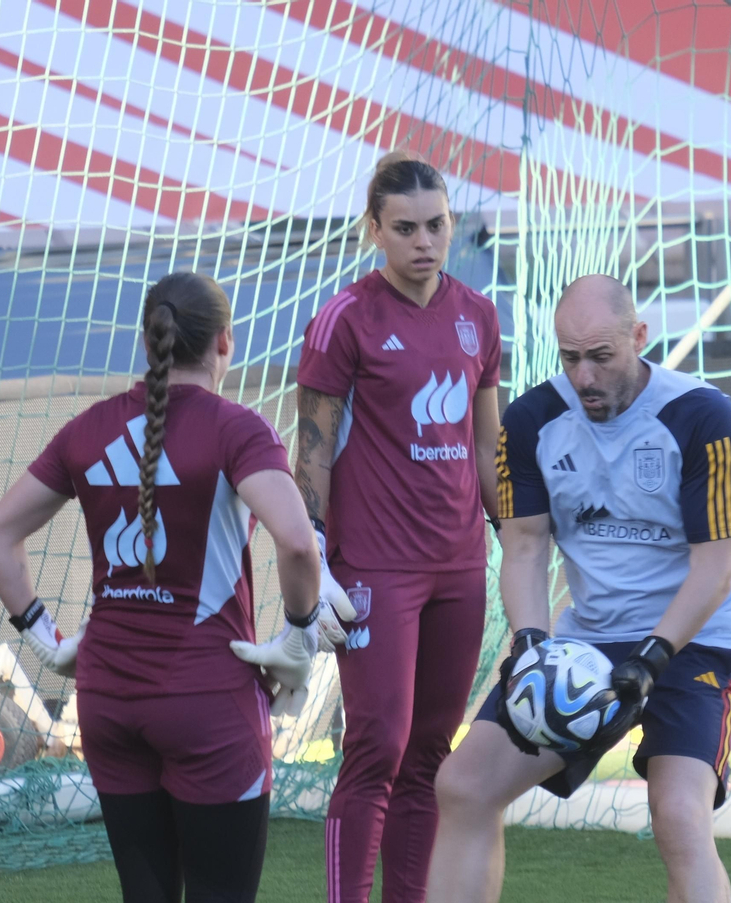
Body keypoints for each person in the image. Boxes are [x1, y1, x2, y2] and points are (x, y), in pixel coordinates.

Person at [0, 272, 325, 903]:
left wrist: (46, 639)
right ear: (226, 342)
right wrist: (299, 636)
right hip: (206, 698)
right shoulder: (237, 429)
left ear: (146, 338)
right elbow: (298, 543)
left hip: (108, 698)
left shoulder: (88, 429)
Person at [425, 274, 731, 903]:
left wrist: (653, 658)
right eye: (570, 358)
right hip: (586, 647)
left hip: (691, 645)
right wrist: (528, 644)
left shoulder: (702, 416)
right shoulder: (531, 420)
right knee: (463, 787)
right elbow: (522, 548)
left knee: (680, 817)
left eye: (601, 357)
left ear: (639, 337)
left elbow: (715, 568)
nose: (584, 377)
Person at [296, 152, 504, 903]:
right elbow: (311, 448)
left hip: (458, 567)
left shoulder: (478, 315)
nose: (425, 241)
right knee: (376, 744)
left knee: (428, 757)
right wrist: (310, 553)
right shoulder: (344, 318)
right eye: (407, 227)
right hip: (375, 568)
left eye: (438, 224)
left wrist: (513, 535)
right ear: (374, 230)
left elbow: (488, 443)